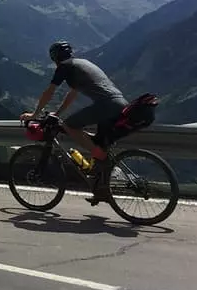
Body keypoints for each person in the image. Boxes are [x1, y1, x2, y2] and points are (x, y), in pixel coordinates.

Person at [20, 41, 129, 204]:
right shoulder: (81, 64)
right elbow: (72, 94)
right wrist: (57, 114)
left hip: (107, 105)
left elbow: (49, 91)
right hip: (120, 103)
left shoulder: (64, 66)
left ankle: (100, 156)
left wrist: (34, 114)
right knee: (99, 143)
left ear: (54, 58)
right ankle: (102, 189)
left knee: (70, 126)